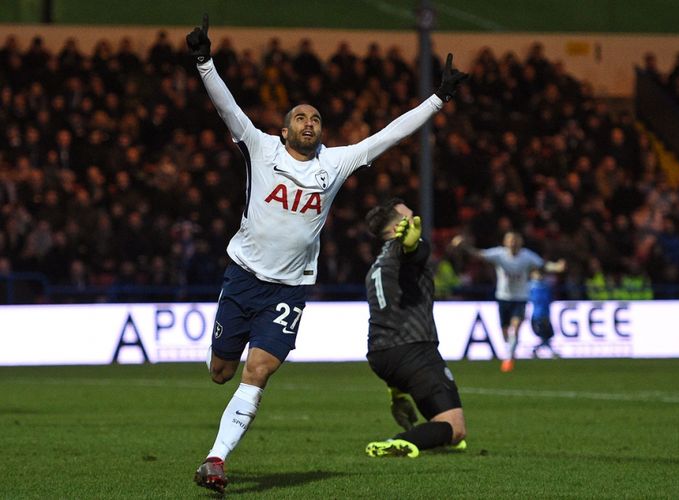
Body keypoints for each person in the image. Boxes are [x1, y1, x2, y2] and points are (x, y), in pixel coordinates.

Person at [185, 15, 467, 492]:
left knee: (259, 370)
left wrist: (437, 99)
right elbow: (229, 109)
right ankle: (221, 419)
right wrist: (203, 62)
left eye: (315, 118)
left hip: (289, 288)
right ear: (284, 128)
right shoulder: (259, 148)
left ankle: (216, 458)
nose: (309, 122)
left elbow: (389, 134)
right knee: (221, 371)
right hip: (242, 276)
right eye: (301, 116)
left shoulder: (334, 163)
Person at [363, 199, 466, 458]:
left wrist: (396, 388)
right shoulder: (404, 251)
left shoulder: (378, 264)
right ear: (399, 225)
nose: (415, 218)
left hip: (381, 354)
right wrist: (412, 245)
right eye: (410, 215)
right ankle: (397, 442)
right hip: (413, 349)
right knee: (456, 430)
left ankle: (421, 424)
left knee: (441, 425)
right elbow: (413, 252)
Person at [454, 231, 565, 372]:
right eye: (510, 240)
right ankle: (510, 349)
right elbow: (478, 255)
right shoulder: (499, 254)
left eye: (515, 240)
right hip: (503, 297)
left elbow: (542, 265)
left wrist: (557, 267)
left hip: (520, 298)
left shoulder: (527, 256)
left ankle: (509, 359)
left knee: (516, 326)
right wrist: (464, 247)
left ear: (520, 242)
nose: (513, 243)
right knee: (505, 333)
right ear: (505, 242)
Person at [527, 268, 560, 358]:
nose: (539, 275)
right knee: (545, 335)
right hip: (538, 316)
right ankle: (550, 352)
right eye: (536, 273)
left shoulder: (546, 286)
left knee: (548, 335)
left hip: (546, 315)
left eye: (540, 273)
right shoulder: (531, 287)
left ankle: (536, 350)